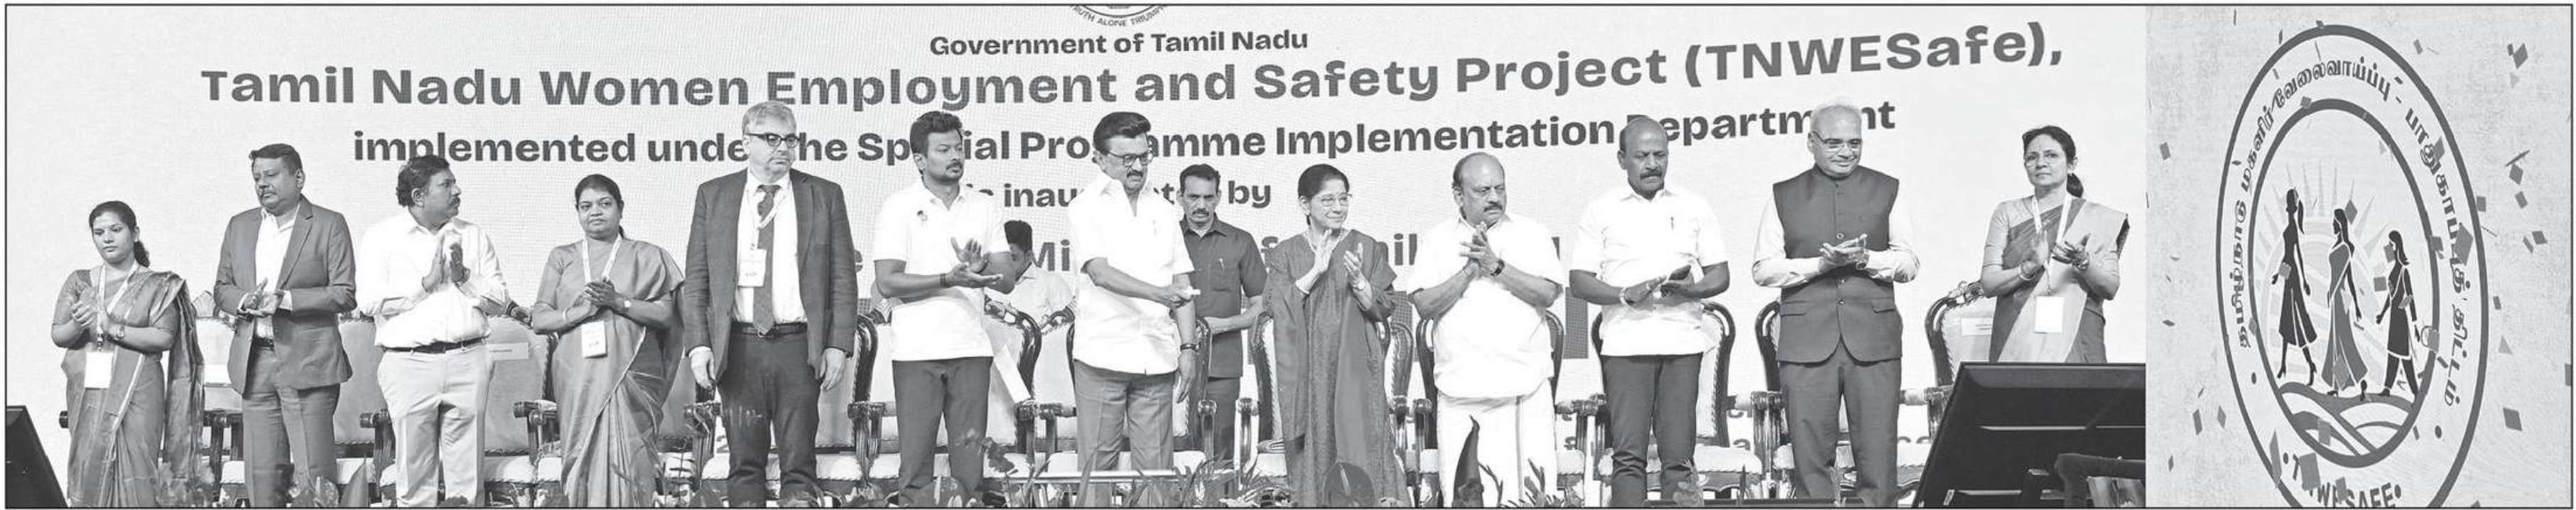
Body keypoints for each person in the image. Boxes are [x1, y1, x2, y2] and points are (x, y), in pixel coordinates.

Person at [679, 101, 862, 507]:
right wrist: (700, 345)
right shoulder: (714, 195)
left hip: (798, 344)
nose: (784, 148)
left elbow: (843, 278)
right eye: (772, 139)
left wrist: (837, 345)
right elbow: (698, 280)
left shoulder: (823, 194)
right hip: (738, 344)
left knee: (800, 462)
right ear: (746, 143)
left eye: (791, 139)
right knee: (744, 464)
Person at [1752, 101, 1920, 507]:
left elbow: (1909, 264)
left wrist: (1867, 259)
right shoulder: (1783, 194)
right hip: (1806, 341)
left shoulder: (1887, 188)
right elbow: (1763, 270)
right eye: (1834, 143)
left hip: (1874, 339)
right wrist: (1819, 265)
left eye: (1854, 143)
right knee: (1811, 465)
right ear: (1811, 142)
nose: (1846, 152)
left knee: (1878, 460)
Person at [1568, 118, 1731, 506]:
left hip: (1682, 343)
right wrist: (1625, 294)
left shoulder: (1693, 205)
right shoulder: (1601, 210)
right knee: (1628, 457)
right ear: (1622, 159)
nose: (1653, 164)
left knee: (1680, 458)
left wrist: (1690, 290)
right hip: (1626, 344)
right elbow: (1579, 281)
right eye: (1642, 156)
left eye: (1661, 155)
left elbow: (1721, 275)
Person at [1404, 153, 1569, 506]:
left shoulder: (1531, 233)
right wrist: (1469, 272)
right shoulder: (1437, 239)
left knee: (1530, 498)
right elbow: (1424, 305)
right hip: (1460, 392)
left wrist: (1495, 266)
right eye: (1483, 191)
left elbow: (1548, 294)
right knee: (1466, 499)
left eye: (1500, 188)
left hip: (1523, 391)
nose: (1494, 197)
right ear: (1458, 195)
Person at [357, 156, 514, 506]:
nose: (458, 191)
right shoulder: (382, 237)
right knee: (414, 480)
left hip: (468, 358)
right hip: (408, 364)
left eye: (454, 183)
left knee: (467, 481)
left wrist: (464, 277)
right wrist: (424, 284)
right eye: (447, 185)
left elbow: (499, 301)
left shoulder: (473, 235)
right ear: (419, 196)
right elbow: (368, 302)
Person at [872, 111, 1010, 506]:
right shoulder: (898, 207)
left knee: (970, 468)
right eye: (944, 149)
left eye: (960, 148)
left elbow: (1007, 279)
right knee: (915, 469)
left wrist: (981, 270)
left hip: (971, 349)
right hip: (917, 352)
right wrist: (948, 279)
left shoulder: (984, 206)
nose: (956, 157)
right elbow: (888, 281)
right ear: (919, 159)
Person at [1063, 111, 1200, 506]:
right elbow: (1100, 273)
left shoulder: (1163, 209)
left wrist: (1188, 347)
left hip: (1156, 357)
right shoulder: (1085, 207)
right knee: (1097, 470)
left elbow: (1181, 282)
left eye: (1144, 156)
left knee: (1156, 472)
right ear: (1099, 159)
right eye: (1127, 159)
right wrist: (1159, 295)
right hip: (1102, 356)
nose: (1137, 166)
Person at [212, 143, 356, 506]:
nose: (262, 184)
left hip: (307, 360)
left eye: (272, 175)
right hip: (254, 361)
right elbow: (223, 288)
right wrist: (244, 301)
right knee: (263, 478)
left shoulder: (328, 223)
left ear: (299, 178)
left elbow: (344, 293)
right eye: (257, 178)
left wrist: (286, 299)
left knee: (313, 475)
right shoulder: (240, 225)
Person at [526, 174, 682, 506]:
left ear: (621, 208)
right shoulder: (562, 256)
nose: (595, 212)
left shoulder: (648, 255)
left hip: (632, 374)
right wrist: (580, 312)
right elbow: (540, 319)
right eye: (586, 206)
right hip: (578, 378)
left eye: (604, 204)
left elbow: (666, 316)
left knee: (632, 459)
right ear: (578, 212)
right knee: (582, 455)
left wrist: (618, 302)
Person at [1262, 163, 1402, 506]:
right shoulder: (1286, 253)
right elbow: (1275, 306)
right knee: (1317, 440)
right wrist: (1316, 271)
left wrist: (1360, 283)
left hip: (1355, 366)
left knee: (1362, 441)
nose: (1338, 207)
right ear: (1304, 204)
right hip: (1309, 369)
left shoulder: (1365, 246)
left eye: (1343, 199)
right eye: (1328, 200)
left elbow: (1383, 306)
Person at [53, 201, 206, 506]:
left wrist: (112, 327)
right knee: (90, 465)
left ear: (134, 233)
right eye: (99, 233)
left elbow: (164, 337)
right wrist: (78, 323)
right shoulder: (80, 281)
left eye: (115, 230)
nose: (107, 238)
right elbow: (59, 335)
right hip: (89, 390)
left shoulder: (159, 284)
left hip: (139, 389)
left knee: (137, 467)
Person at [1978, 126, 2130, 363]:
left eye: (2051, 155)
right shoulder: (2007, 212)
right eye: (2032, 157)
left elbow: (2110, 288)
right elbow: (1989, 284)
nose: (2041, 163)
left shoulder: (2098, 218)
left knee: (2079, 388)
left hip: (2078, 338)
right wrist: (2029, 267)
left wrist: (2084, 262)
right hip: (2019, 342)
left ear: (2071, 164)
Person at [1176, 163, 1267, 460]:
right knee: (1173, 448)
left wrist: (1224, 325)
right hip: (1170, 363)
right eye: (1193, 197)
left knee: (1219, 452)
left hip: (1222, 366)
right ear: (1179, 197)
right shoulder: (1164, 239)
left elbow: (1263, 305)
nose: (1201, 205)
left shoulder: (1240, 241)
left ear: (1219, 197)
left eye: (1208, 197)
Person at [980, 220, 1076, 448]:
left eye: (1013, 258)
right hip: (995, 373)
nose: (1005, 265)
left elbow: (1064, 337)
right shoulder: (986, 285)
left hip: (1042, 375)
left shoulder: (1051, 283)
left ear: (1030, 256)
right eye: (1001, 258)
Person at [2318, 208, 2370, 396]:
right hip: (2335, 298)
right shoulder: (2339, 246)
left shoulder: (2346, 248)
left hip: (2340, 298)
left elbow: (2349, 278)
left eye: (2335, 222)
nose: (2332, 225)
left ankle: (2360, 380)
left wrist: (2356, 304)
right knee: (2337, 341)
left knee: (2344, 339)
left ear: (2340, 224)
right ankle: (2337, 386)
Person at [2271, 190, 2318, 384]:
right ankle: (2283, 364)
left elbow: (2297, 255)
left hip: (2294, 277)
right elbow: (2287, 256)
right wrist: (2278, 274)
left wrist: (2304, 280)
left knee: (2296, 320)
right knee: (2286, 320)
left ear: (2291, 207)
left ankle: (2310, 364)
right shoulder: (2290, 227)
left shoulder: (2292, 228)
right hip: (2290, 275)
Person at [2374, 232, 2420, 397]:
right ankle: (2387, 388)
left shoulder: (2403, 271)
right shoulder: (2393, 270)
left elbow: (2410, 296)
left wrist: (2414, 323)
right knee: (2393, 353)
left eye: (2390, 245)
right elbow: (2390, 297)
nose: (2388, 248)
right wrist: (2382, 314)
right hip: (2394, 317)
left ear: (2397, 247)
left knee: (2405, 356)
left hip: (2401, 318)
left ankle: (2415, 391)